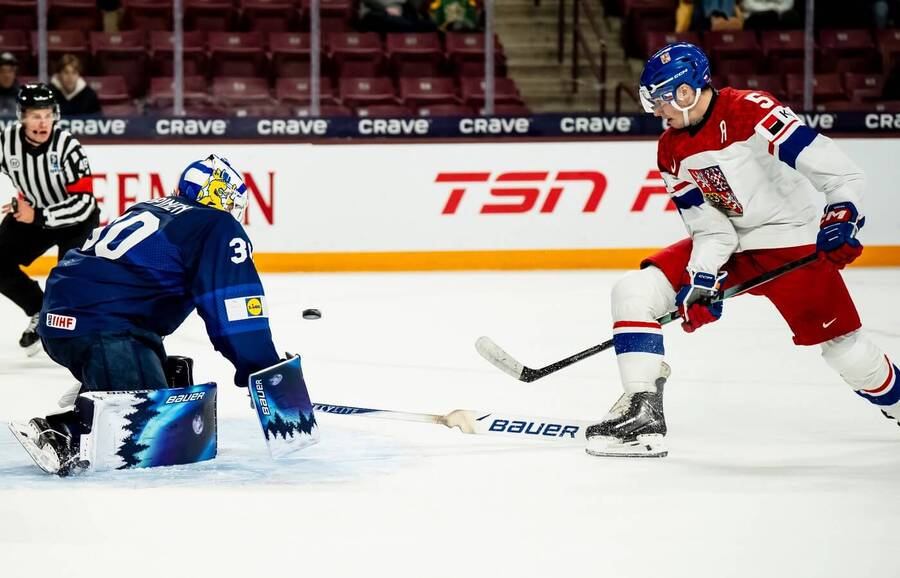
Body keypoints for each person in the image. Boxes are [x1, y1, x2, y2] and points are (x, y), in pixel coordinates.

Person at [586, 42, 899, 458]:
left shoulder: (751, 110)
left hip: (791, 244)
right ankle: (644, 415)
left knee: (847, 352)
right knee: (634, 291)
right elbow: (710, 229)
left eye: (661, 100)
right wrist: (701, 279)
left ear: (684, 93)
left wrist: (841, 213)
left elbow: (838, 170)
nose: (657, 111)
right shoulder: (670, 151)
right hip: (734, 250)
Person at [17, 154, 283, 475]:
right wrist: (264, 370)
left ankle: (102, 385)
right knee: (150, 434)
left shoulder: (153, 208)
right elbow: (234, 307)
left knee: (172, 385)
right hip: (103, 328)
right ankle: (70, 430)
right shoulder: (214, 224)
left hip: (64, 319)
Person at [0, 83, 98, 355]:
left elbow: (84, 203)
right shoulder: (5, 142)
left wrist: (39, 215)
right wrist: (29, 210)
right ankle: (39, 312)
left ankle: (78, 334)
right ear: (21, 116)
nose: (42, 122)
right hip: (34, 214)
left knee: (68, 280)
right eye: (34, 115)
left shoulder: (69, 147)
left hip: (76, 221)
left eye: (47, 114)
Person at [0, 51, 20, 117]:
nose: (6, 75)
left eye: (10, 71)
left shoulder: (22, 96)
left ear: (15, 73)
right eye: (2, 71)